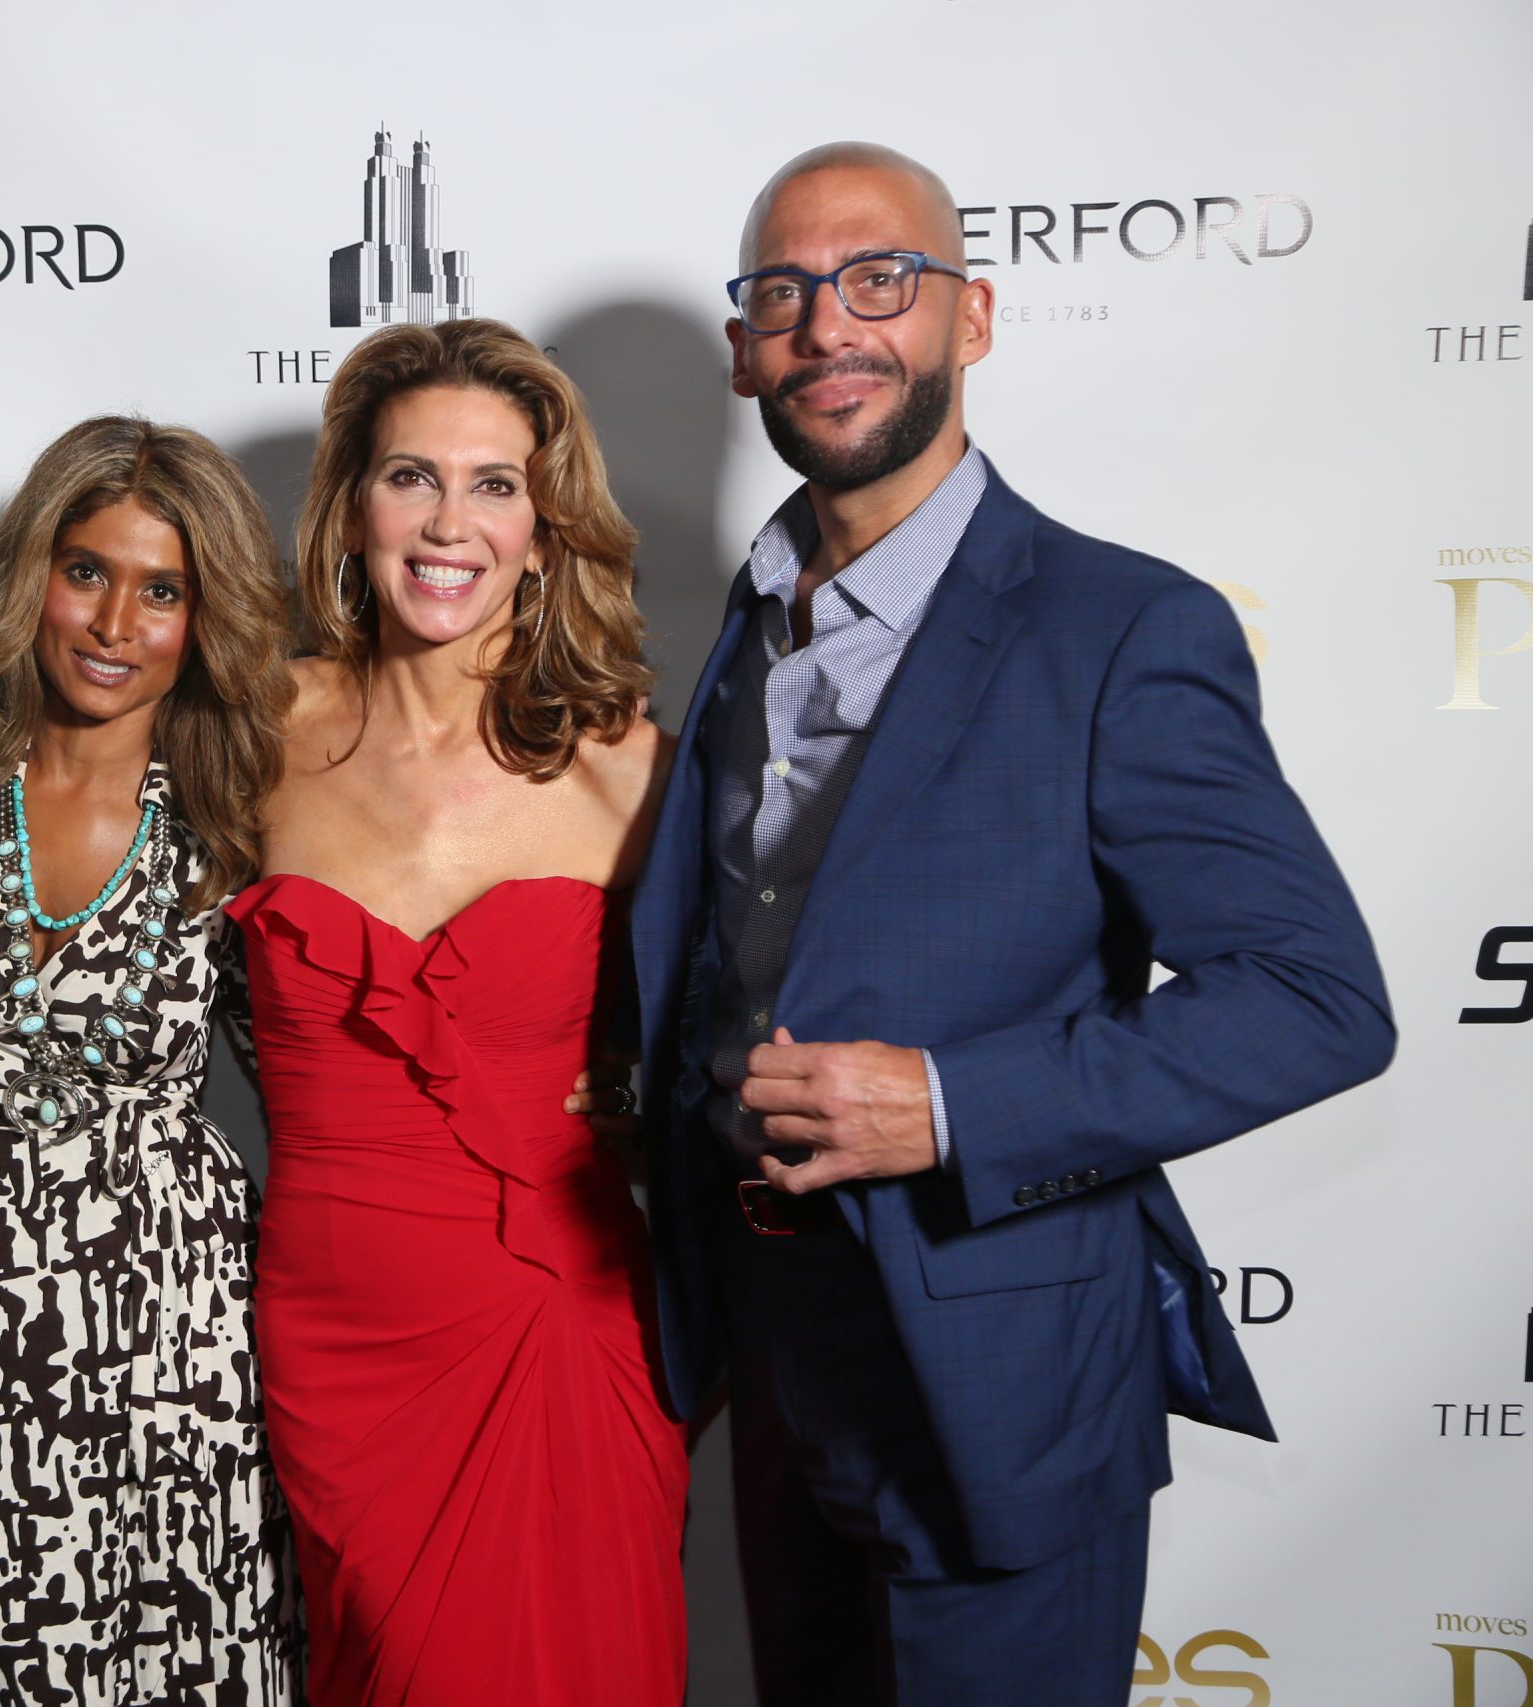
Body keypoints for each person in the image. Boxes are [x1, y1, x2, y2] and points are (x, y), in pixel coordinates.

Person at [628, 141, 1396, 1706]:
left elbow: (1316, 996)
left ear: (969, 317)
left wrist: (952, 1103)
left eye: (879, 280)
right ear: (743, 349)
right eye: (784, 293)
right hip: (775, 1351)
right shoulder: (747, 621)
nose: (829, 327)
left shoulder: (1121, 628)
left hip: (1000, 1379)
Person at [227, 319, 690, 1707]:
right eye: (411, 477)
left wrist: (649, 1089)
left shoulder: (634, 774)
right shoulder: (250, 732)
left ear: (545, 534)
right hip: (332, 1341)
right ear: (352, 507)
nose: (449, 523)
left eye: (496, 485)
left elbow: (758, 1023)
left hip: (559, 1325)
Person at [0, 416, 302, 1704]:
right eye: (87, 572)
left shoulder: (244, 824)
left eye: (163, 590)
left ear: (207, 615)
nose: (115, 623)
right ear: (34, 574)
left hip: (180, 1329)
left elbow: (327, 1079)